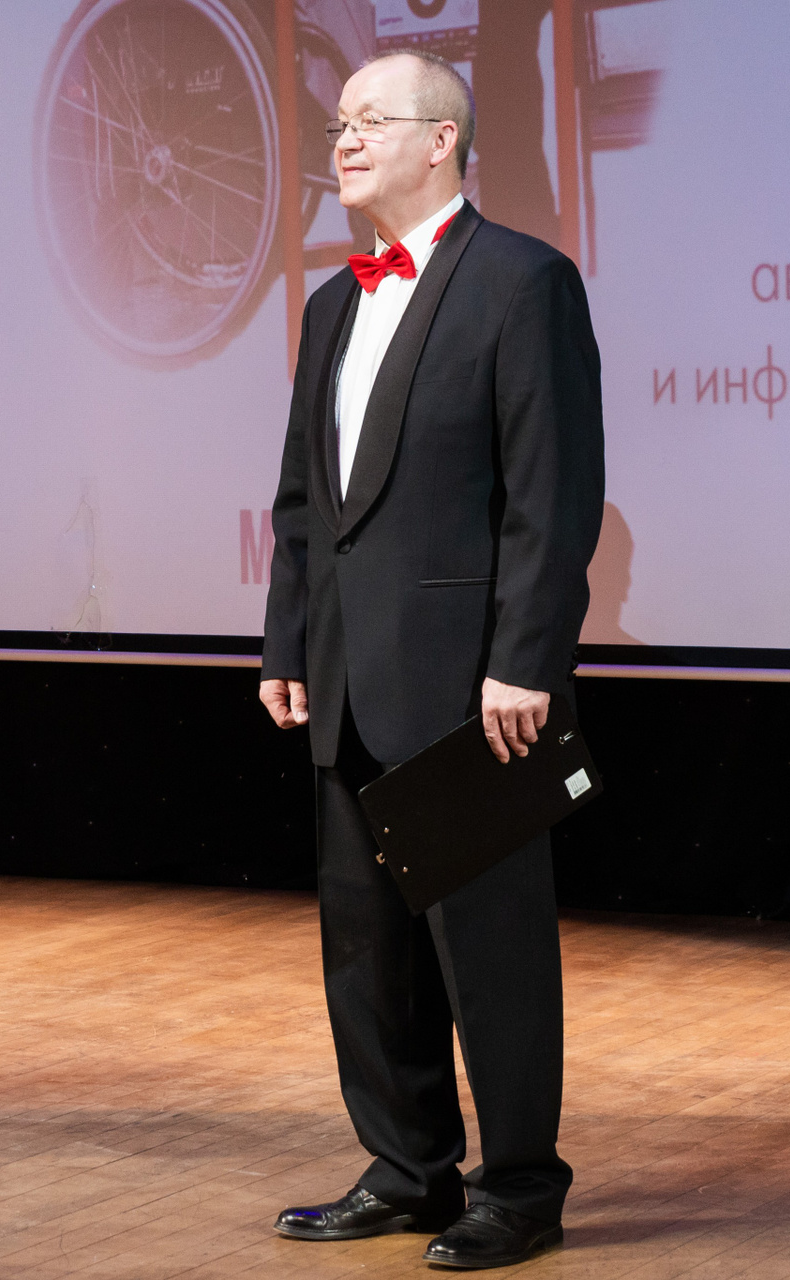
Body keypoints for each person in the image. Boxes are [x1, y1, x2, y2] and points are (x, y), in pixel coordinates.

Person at [258, 50, 604, 1268]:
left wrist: (527, 659)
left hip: (473, 685)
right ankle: (408, 1167)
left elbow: (553, 497)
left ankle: (521, 1188)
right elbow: (306, 502)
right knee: (367, 948)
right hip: (350, 673)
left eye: (370, 121)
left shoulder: (523, 280)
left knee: (489, 950)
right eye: (338, 124)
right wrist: (289, 638)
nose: (343, 141)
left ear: (442, 139)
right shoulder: (331, 304)